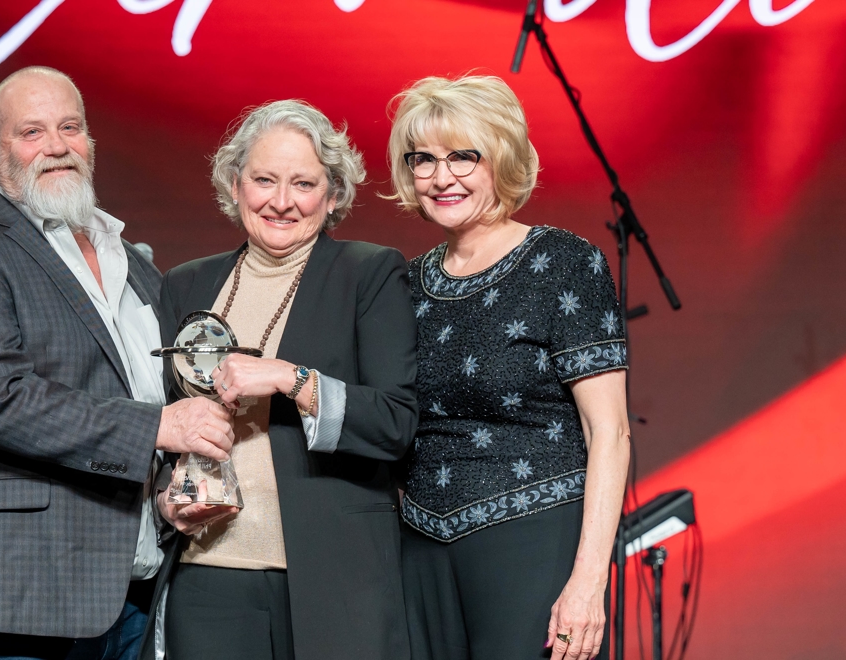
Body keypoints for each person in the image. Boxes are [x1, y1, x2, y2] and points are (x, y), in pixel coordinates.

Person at [0, 66, 235, 660]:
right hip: (17, 599)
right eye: (31, 131)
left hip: (133, 588)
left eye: (70, 127)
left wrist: (167, 494)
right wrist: (160, 427)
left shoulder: (132, 261)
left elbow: (150, 389)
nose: (56, 146)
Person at [148, 100, 419, 660]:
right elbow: (160, 420)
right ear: (235, 183)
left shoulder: (368, 273)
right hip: (207, 575)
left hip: (333, 576)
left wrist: (290, 378)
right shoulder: (185, 285)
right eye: (264, 180)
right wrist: (164, 501)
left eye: (303, 183)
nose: (281, 201)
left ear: (334, 193)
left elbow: (396, 423)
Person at [387, 75, 630, 660]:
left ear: (502, 156)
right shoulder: (405, 284)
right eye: (422, 160)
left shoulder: (563, 263)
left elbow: (611, 434)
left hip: (535, 543)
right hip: (419, 553)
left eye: (462, 156)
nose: (441, 177)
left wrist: (588, 583)